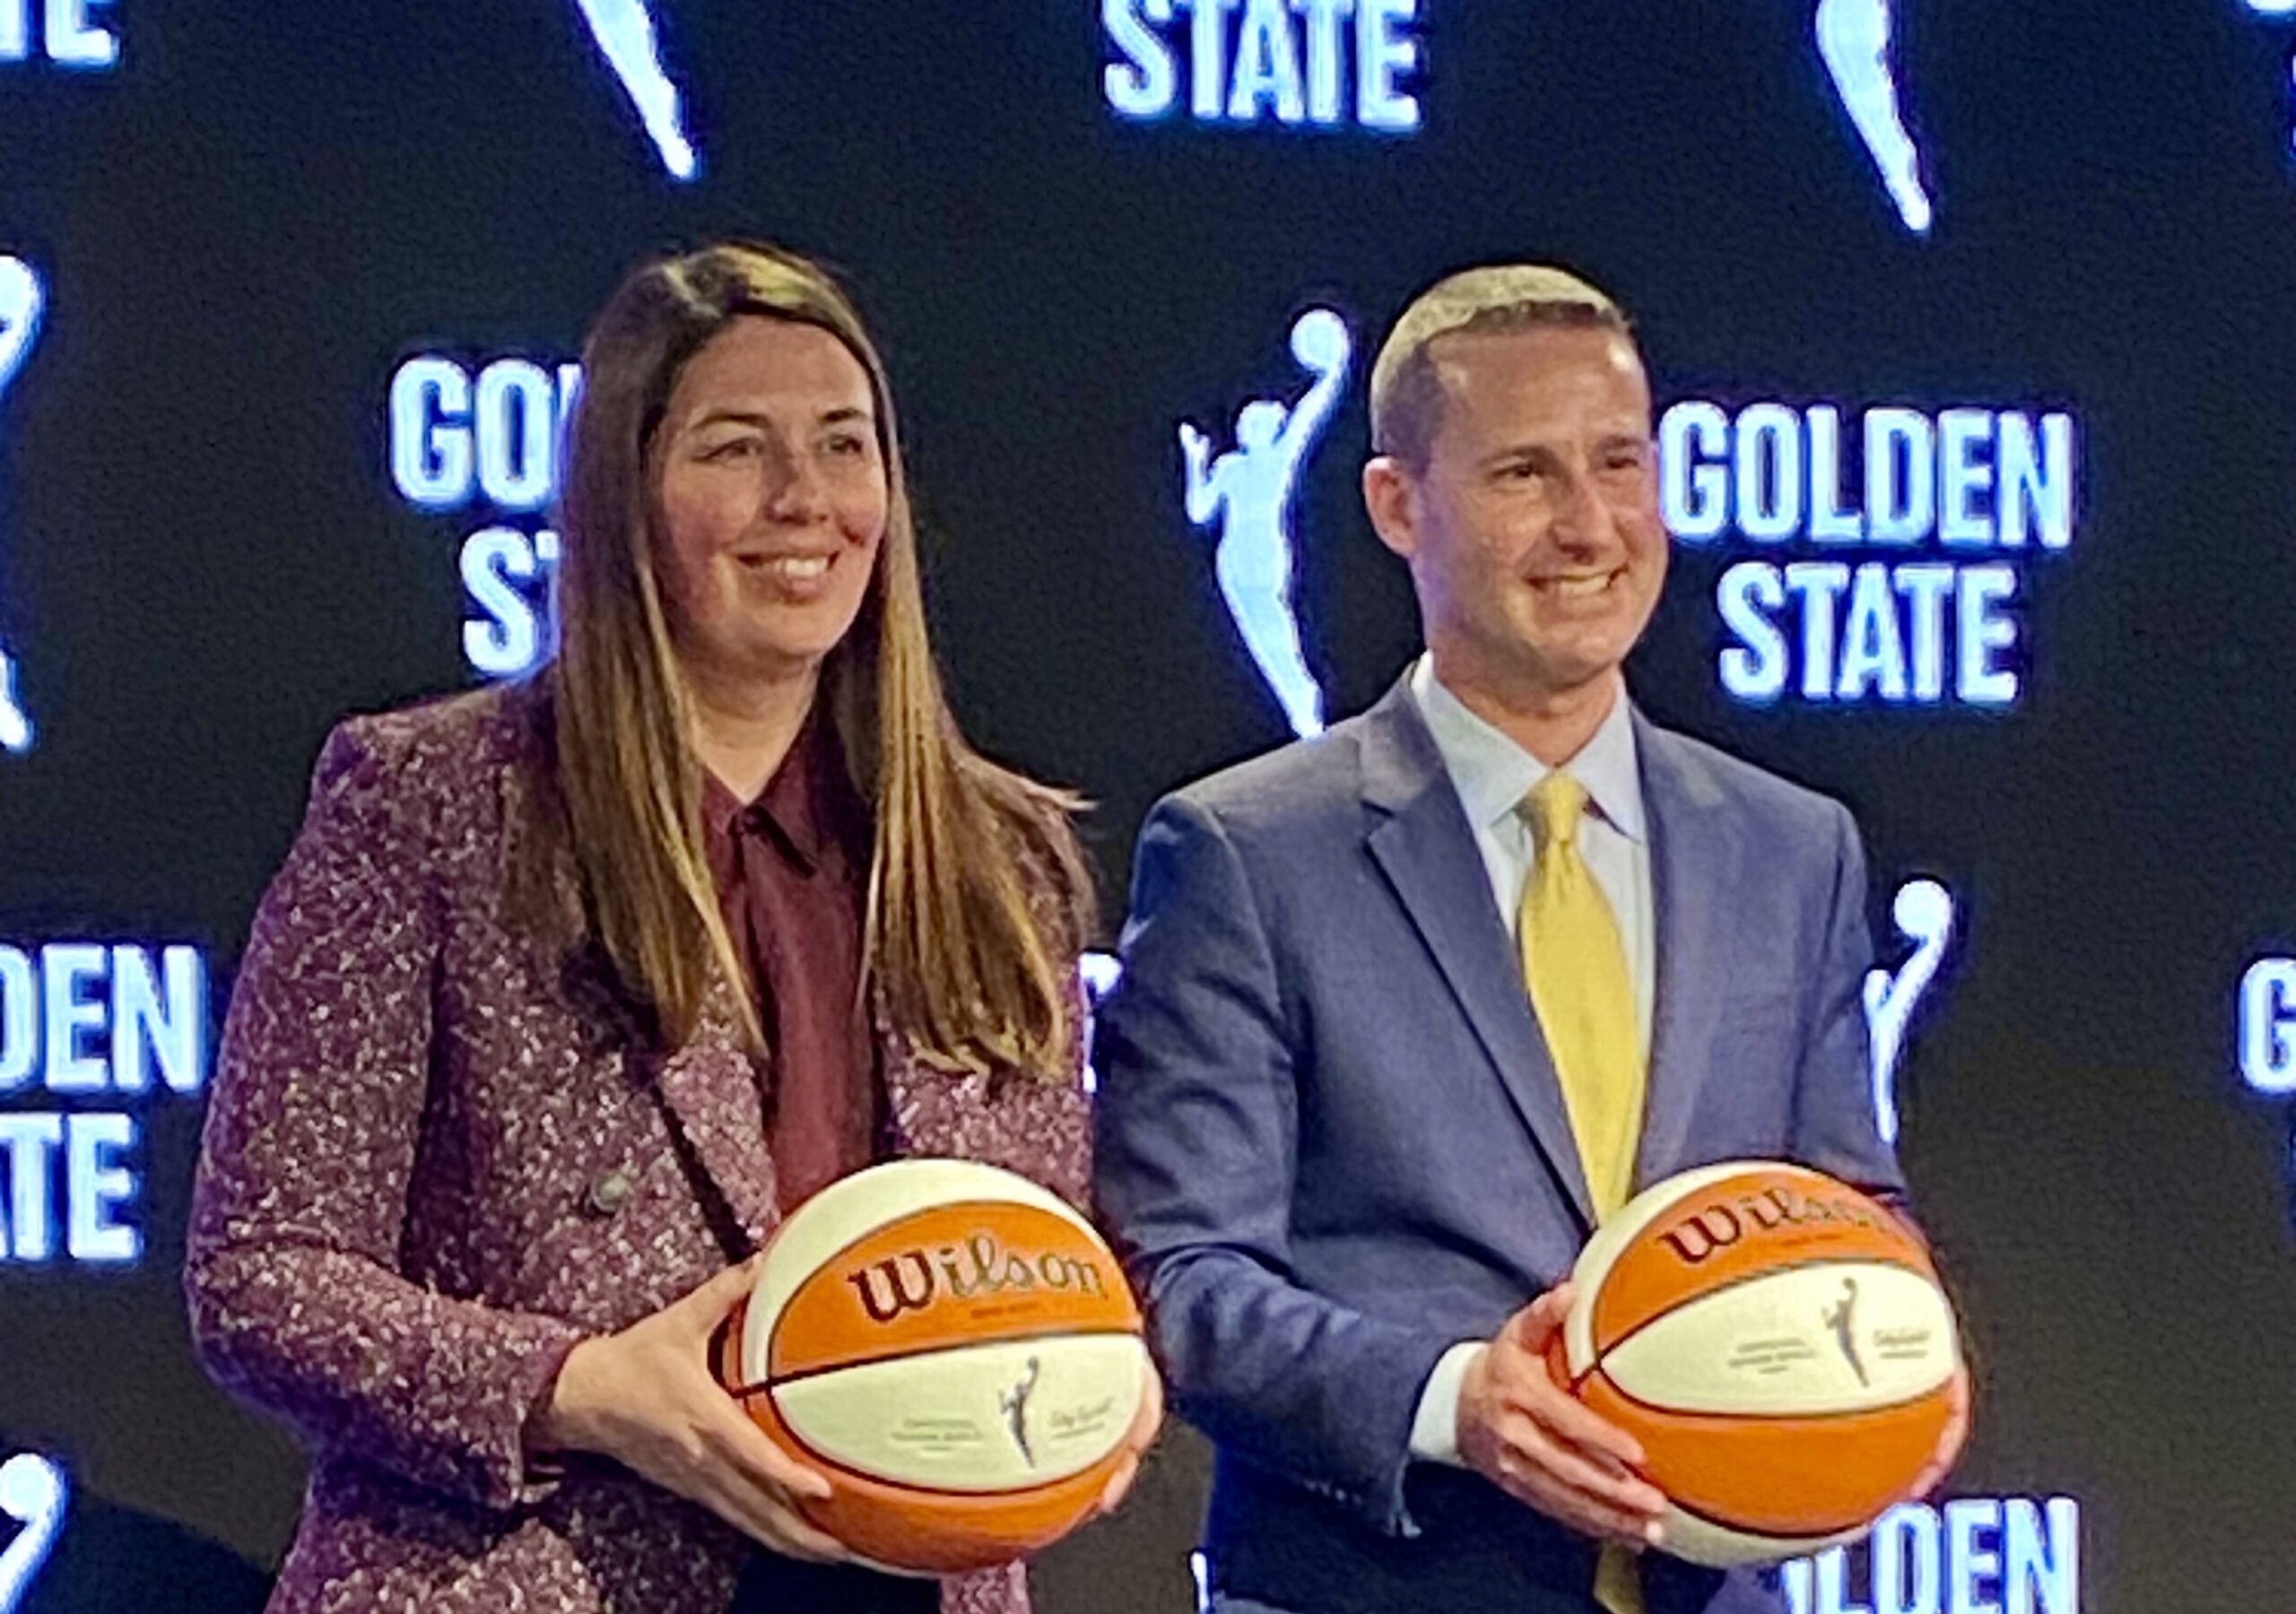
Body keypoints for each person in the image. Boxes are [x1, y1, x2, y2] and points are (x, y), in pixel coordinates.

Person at [187, 241, 1157, 1614]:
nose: (804, 500)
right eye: (734, 449)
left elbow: (1049, 1239)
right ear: (623, 495)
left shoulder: (1000, 856)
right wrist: (584, 1392)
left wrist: (1091, 1378)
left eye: (842, 444)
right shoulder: (432, 807)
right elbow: (264, 1278)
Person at [1091, 265, 1967, 1614]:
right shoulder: (1246, 857)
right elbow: (1183, 1278)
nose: (1590, 525)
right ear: (1398, 505)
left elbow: (1851, 1203)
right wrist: (1454, 1402)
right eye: (1522, 476)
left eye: (1621, 462)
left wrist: (1905, 1346)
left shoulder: (1795, 849)